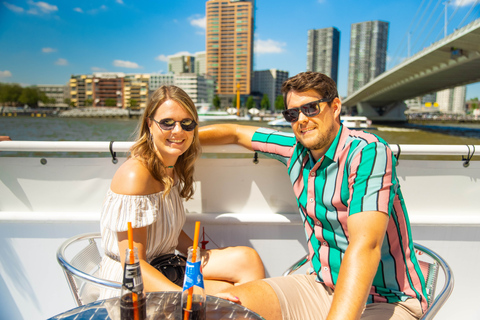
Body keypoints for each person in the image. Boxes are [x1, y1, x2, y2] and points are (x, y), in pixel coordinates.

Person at [199, 72, 427, 320]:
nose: (302, 120)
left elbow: (366, 246)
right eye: (292, 114)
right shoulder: (294, 149)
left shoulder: (367, 153)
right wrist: (166, 141)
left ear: (335, 107)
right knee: (220, 309)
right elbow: (234, 132)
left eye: (311, 108)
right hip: (321, 287)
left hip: (387, 300)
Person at [98, 85, 264, 300]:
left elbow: (170, 232)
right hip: (134, 287)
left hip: (165, 264)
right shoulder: (136, 176)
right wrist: (188, 295)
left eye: (187, 123)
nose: (178, 131)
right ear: (150, 124)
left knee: (247, 260)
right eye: (167, 123)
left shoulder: (169, 165)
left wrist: (196, 253)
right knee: (232, 294)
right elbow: (134, 264)